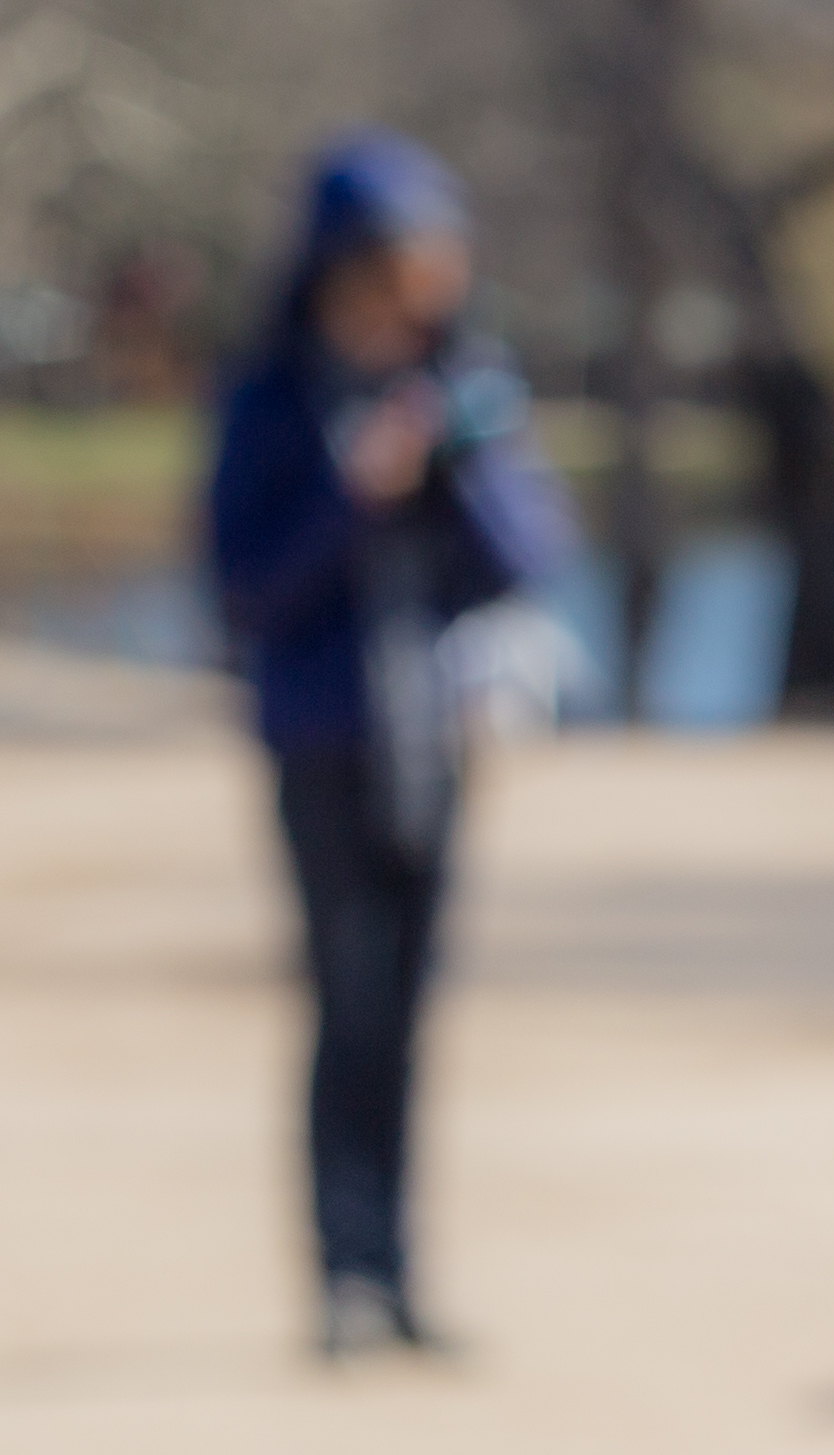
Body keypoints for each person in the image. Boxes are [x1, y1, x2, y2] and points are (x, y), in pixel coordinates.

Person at [204, 131, 575, 1361]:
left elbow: (530, 557)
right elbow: (243, 589)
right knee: (344, 1002)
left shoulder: (464, 384)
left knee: (409, 1010)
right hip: (320, 735)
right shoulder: (275, 397)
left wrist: (459, 464)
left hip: (438, 736)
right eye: (407, 258)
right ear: (346, 263)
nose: (429, 281)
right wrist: (351, 492)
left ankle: (401, 1274)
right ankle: (338, 1274)